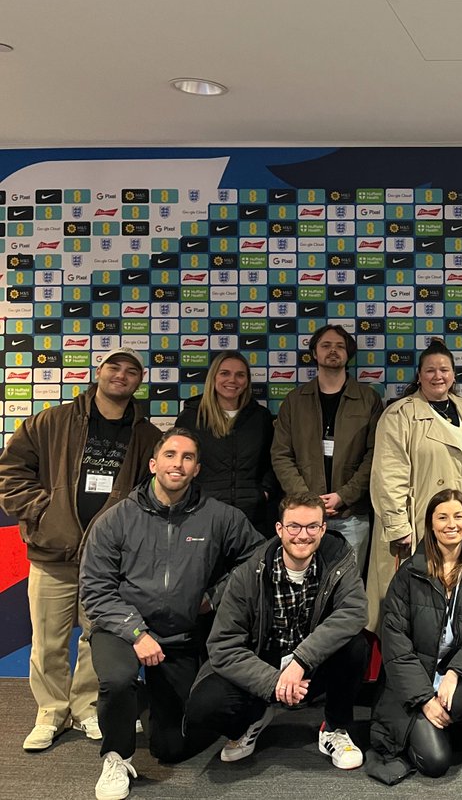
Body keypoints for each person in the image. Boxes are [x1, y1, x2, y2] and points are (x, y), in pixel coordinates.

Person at [80, 428, 261, 800]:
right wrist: (135, 633)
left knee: (171, 748)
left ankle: (142, 700)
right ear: (153, 464)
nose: (178, 463)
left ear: (196, 469)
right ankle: (116, 755)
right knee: (117, 681)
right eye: (170, 455)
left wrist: (215, 596)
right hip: (121, 630)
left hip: (180, 636)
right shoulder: (115, 519)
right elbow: (95, 590)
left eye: (188, 457)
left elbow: (256, 560)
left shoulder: (220, 517)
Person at [0, 345, 161, 752]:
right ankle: (51, 712)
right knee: (48, 642)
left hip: (107, 563)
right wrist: (41, 511)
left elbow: (153, 496)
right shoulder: (51, 422)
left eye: (131, 371)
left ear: (139, 381)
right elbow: (10, 470)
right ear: (99, 371)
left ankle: (87, 707)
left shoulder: (148, 436)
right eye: (114, 367)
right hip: (52, 554)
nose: (121, 375)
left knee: (97, 640)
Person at [186, 493, 368, 770]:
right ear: (279, 529)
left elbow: (353, 613)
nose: (302, 535)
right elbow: (223, 646)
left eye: (311, 527)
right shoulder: (248, 573)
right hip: (263, 664)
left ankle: (334, 728)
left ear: (322, 529)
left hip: (311, 666)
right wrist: (274, 683)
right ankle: (254, 718)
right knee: (203, 706)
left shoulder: (339, 562)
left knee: (356, 645)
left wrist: (301, 661)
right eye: (294, 526)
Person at [370, 489, 462, 780]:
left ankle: (446, 725)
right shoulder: (409, 573)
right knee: (435, 763)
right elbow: (396, 645)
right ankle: (428, 726)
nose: (451, 524)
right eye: (442, 517)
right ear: (431, 524)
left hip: (455, 671)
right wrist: (423, 699)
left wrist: (456, 673)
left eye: (458, 516)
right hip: (415, 677)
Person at [368, 340, 462, 634]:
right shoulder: (400, 414)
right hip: (417, 525)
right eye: (431, 370)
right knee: (414, 608)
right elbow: (389, 474)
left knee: (457, 601)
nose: (438, 376)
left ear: (454, 374)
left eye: (445, 370)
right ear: (419, 375)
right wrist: (399, 527)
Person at [272, 323, 383, 575]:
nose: (333, 351)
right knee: (303, 583)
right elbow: (281, 455)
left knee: (349, 588)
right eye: (326, 345)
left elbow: (375, 456)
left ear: (348, 354)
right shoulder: (294, 400)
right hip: (302, 517)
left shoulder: (369, 399)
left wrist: (344, 495)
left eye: (340, 346)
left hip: (351, 515)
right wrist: (308, 500)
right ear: (314, 352)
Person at [175, 350, 278, 535]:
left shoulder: (260, 418)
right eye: (225, 373)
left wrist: (264, 491)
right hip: (202, 516)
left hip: (253, 517)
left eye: (240, 375)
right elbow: (179, 462)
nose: (232, 380)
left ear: (247, 381)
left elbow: (274, 460)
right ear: (213, 378)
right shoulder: (191, 418)